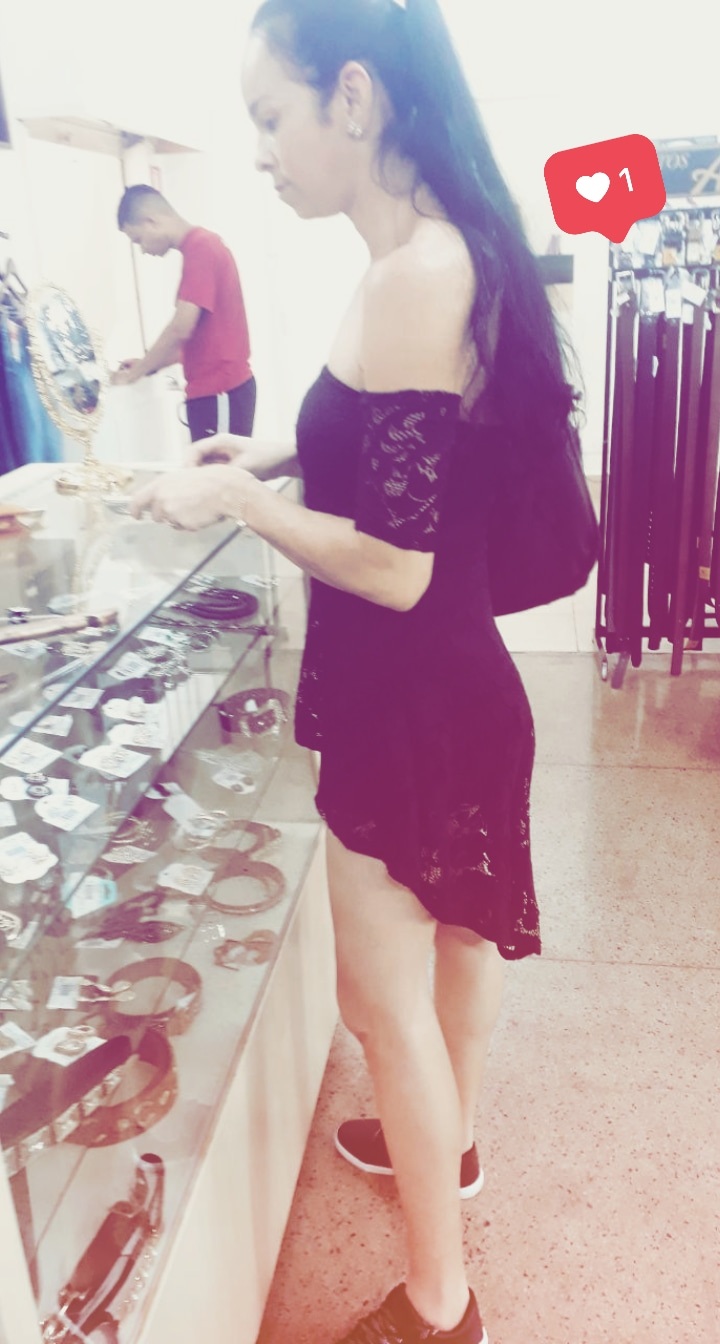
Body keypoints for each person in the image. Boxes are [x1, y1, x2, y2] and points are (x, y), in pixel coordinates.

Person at [130, 2, 579, 1341]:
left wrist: (237, 505)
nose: (261, 151)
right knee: (456, 949)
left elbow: (394, 563)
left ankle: (439, 1303)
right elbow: (404, 450)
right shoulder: (443, 248)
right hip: (461, 691)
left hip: (408, 704)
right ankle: (449, 1142)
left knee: (382, 1006)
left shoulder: (410, 275)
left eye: (272, 116)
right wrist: (270, 455)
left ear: (356, 98)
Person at [112, 185, 256, 441]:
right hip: (215, 394)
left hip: (220, 392)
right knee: (209, 467)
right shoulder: (199, 248)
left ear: (151, 221)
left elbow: (181, 328)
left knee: (219, 468)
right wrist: (150, 365)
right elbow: (197, 341)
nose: (142, 249)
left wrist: (137, 371)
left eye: (138, 240)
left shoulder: (202, 247)